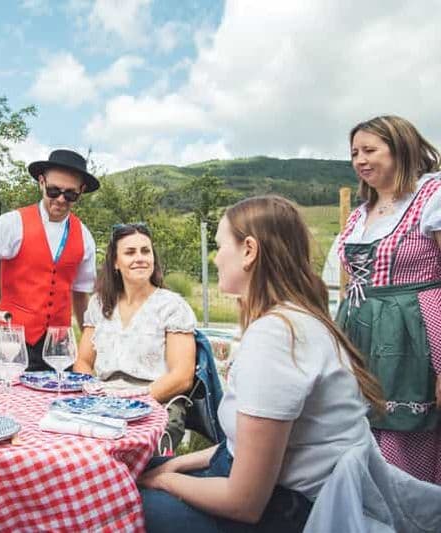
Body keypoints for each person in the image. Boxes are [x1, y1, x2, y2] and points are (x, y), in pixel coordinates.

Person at [139, 196, 384, 532]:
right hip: (272, 491)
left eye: (220, 245)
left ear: (249, 250)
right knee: (137, 470)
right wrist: (172, 465)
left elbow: (244, 502)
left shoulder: (276, 338)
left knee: (115, 504)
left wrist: (164, 482)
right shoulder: (294, 319)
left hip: (287, 512)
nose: (215, 256)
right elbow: (236, 449)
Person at [336, 115, 441, 485]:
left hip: (413, 332)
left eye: (369, 150)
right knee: (358, 427)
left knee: (405, 430)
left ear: (399, 149)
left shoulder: (432, 197)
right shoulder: (358, 215)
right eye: (354, 153)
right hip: (359, 334)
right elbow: (347, 284)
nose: (360, 160)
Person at [0, 149, 99, 371]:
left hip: (59, 345)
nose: (60, 199)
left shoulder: (84, 236)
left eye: (70, 194)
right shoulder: (13, 223)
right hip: (13, 342)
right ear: (41, 182)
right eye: (53, 190)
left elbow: (81, 292)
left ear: (81, 191)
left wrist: (86, 342)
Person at [73, 223, 197, 447]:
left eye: (145, 251)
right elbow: (83, 361)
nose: (140, 258)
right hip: (104, 400)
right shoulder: (99, 303)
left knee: (114, 448)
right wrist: (92, 395)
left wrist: (131, 402)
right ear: (115, 263)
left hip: (157, 403)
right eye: (130, 252)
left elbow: (182, 376)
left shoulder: (172, 306)